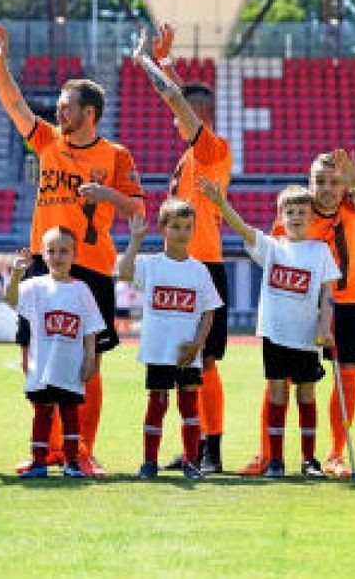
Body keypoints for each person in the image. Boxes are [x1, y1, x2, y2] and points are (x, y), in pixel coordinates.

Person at [0, 23, 144, 477]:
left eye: (66, 107)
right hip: (44, 262)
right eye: (57, 107)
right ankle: (49, 450)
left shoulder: (116, 154)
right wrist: (0, 63)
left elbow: (138, 209)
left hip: (92, 267)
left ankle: (83, 452)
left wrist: (107, 196)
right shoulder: (45, 141)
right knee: (34, 356)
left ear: (90, 112)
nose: (58, 113)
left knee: (86, 361)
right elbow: (15, 104)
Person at [239, 149, 355, 478]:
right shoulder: (295, 214)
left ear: (344, 185)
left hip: (347, 301)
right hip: (300, 306)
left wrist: (354, 178)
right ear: (309, 183)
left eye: (334, 181)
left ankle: (335, 455)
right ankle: (268, 453)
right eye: (320, 181)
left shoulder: (353, 206)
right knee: (280, 380)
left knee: (347, 377)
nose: (327, 188)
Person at [136, 24, 232, 473]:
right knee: (179, 361)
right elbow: (176, 99)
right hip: (185, 263)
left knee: (204, 363)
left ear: (200, 114)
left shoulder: (211, 149)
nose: (174, 115)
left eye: (185, 111)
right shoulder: (189, 157)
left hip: (204, 263)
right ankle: (193, 451)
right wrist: (167, 62)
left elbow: (175, 100)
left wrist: (148, 62)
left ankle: (211, 451)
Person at [201, 179, 340, 479]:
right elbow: (244, 229)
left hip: (306, 337)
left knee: (306, 395)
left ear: (313, 217)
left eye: (302, 212)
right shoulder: (273, 248)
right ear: (281, 217)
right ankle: (276, 460)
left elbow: (327, 294)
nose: (296, 217)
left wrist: (324, 325)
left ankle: (308, 460)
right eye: (290, 212)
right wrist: (221, 204)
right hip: (276, 333)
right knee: (277, 393)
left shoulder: (320, 251)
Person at [117, 200, 223, 480]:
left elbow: (209, 311)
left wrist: (198, 343)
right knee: (157, 404)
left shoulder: (199, 270)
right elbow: (124, 272)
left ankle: (191, 462)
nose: (182, 232)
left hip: (188, 352)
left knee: (189, 406)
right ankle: (149, 462)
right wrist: (136, 240)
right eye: (175, 226)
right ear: (163, 229)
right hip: (159, 351)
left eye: (188, 227)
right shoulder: (151, 264)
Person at [5, 228, 104, 479]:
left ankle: (72, 462)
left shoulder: (82, 290)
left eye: (64, 251)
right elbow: (10, 299)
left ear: (74, 254)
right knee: (42, 414)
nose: (57, 256)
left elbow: (91, 329)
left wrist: (90, 359)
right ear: (43, 255)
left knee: (71, 416)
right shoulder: (35, 286)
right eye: (51, 251)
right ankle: (39, 462)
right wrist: (16, 273)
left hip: (71, 366)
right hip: (43, 367)